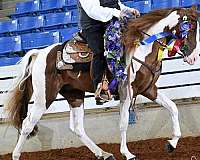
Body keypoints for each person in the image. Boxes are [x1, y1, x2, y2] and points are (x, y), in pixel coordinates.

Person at [77, 0, 140, 104]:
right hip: (92, 27)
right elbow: (93, 10)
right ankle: (100, 87)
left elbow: (116, 3)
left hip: (110, 23)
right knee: (100, 51)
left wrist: (128, 10)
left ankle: (127, 80)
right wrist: (116, 13)